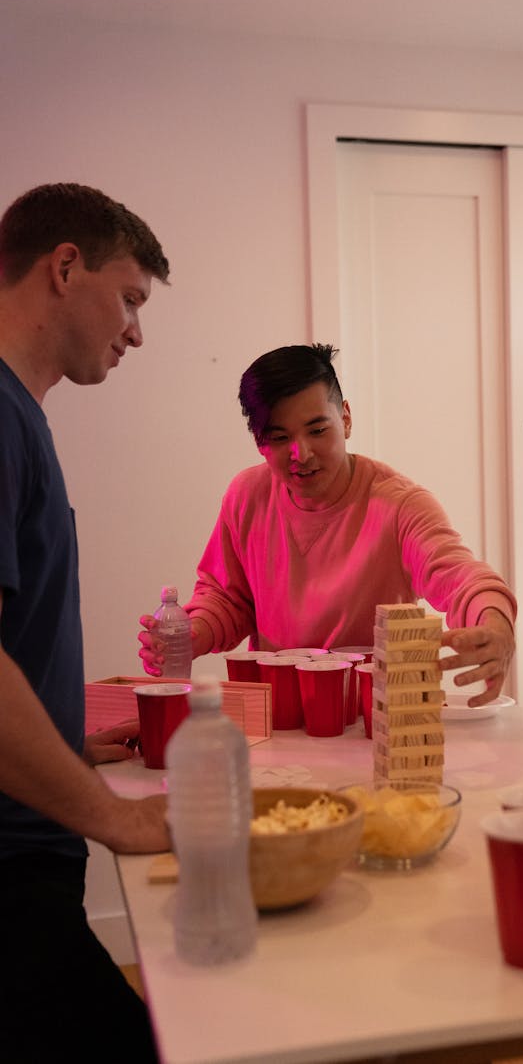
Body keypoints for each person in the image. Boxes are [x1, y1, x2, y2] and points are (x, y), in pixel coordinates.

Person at [0, 183, 172, 1062]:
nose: (137, 331)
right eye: (132, 298)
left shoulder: (21, 416)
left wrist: (64, 736)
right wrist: (115, 816)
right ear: (65, 266)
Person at [139, 343, 516, 703]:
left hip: (371, 717)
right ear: (258, 440)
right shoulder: (246, 495)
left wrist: (495, 625)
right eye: (280, 437)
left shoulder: (399, 504)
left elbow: (460, 575)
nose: (300, 454)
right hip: (281, 716)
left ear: (346, 418)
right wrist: (191, 634)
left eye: (318, 430)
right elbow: (226, 597)